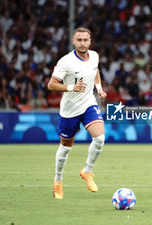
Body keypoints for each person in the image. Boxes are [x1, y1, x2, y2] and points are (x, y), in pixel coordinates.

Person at [48, 27, 107, 199]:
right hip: (70, 109)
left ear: (90, 41)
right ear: (73, 41)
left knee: (100, 138)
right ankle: (58, 180)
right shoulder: (65, 62)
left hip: (88, 103)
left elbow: (95, 70)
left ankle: (87, 171)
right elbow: (51, 85)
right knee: (66, 147)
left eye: (85, 40)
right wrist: (71, 87)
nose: (82, 43)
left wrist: (99, 88)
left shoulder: (94, 56)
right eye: (79, 40)